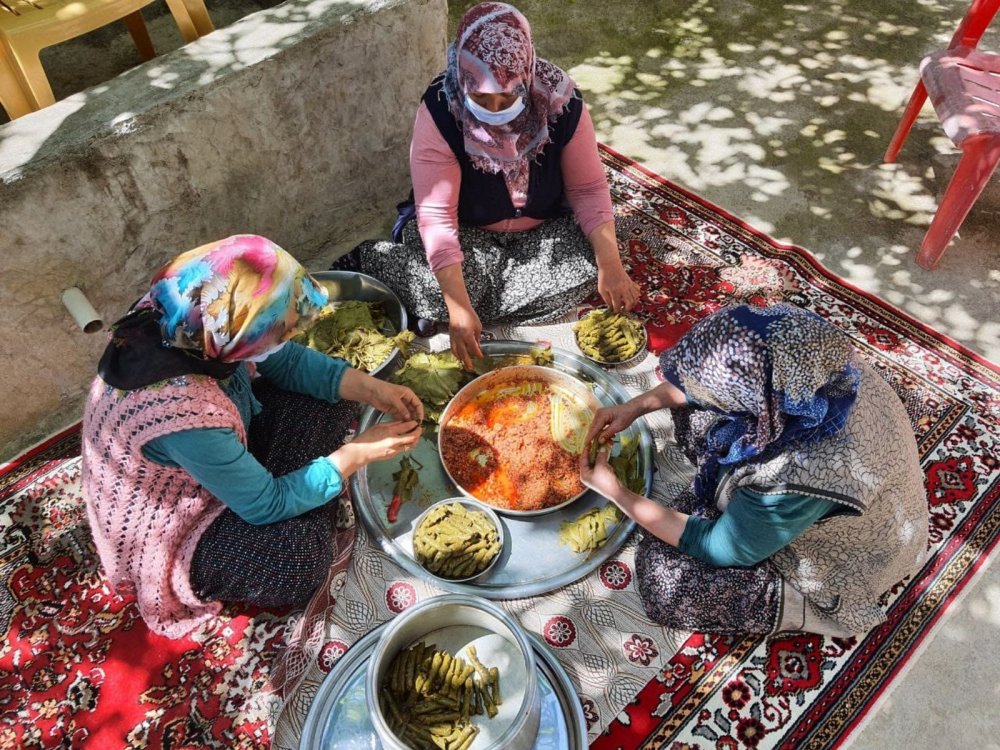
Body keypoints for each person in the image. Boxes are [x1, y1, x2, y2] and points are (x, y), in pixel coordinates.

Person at [81, 235, 424, 639]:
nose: (285, 339)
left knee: (333, 398)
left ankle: (306, 485)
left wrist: (374, 390)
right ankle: (307, 492)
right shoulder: (186, 414)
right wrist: (355, 455)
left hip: (223, 451)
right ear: (240, 338)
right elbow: (264, 504)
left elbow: (287, 361)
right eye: (280, 331)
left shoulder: (198, 315)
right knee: (297, 563)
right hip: (184, 516)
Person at [579, 304, 928, 636]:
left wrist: (618, 493)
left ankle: (801, 604)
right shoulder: (808, 360)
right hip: (805, 479)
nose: (694, 389)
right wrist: (635, 407)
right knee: (692, 415)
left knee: (666, 580)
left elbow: (721, 548)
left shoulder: (797, 476)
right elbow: (701, 384)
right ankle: (734, 505)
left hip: (844, 557)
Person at [353, 1, 640, 369]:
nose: (495, 108)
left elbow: (587, 190)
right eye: (481, 98)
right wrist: (458, 305)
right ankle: (374, 258)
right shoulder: (441, 109)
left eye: (509, 96)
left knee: (594, 266)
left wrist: (610, 265)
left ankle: (474, 299)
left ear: (527, 74)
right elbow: (437, 216)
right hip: (467, 230)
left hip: (543, 232)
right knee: (451, 292)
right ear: (464, 80)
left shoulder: (561, 103)